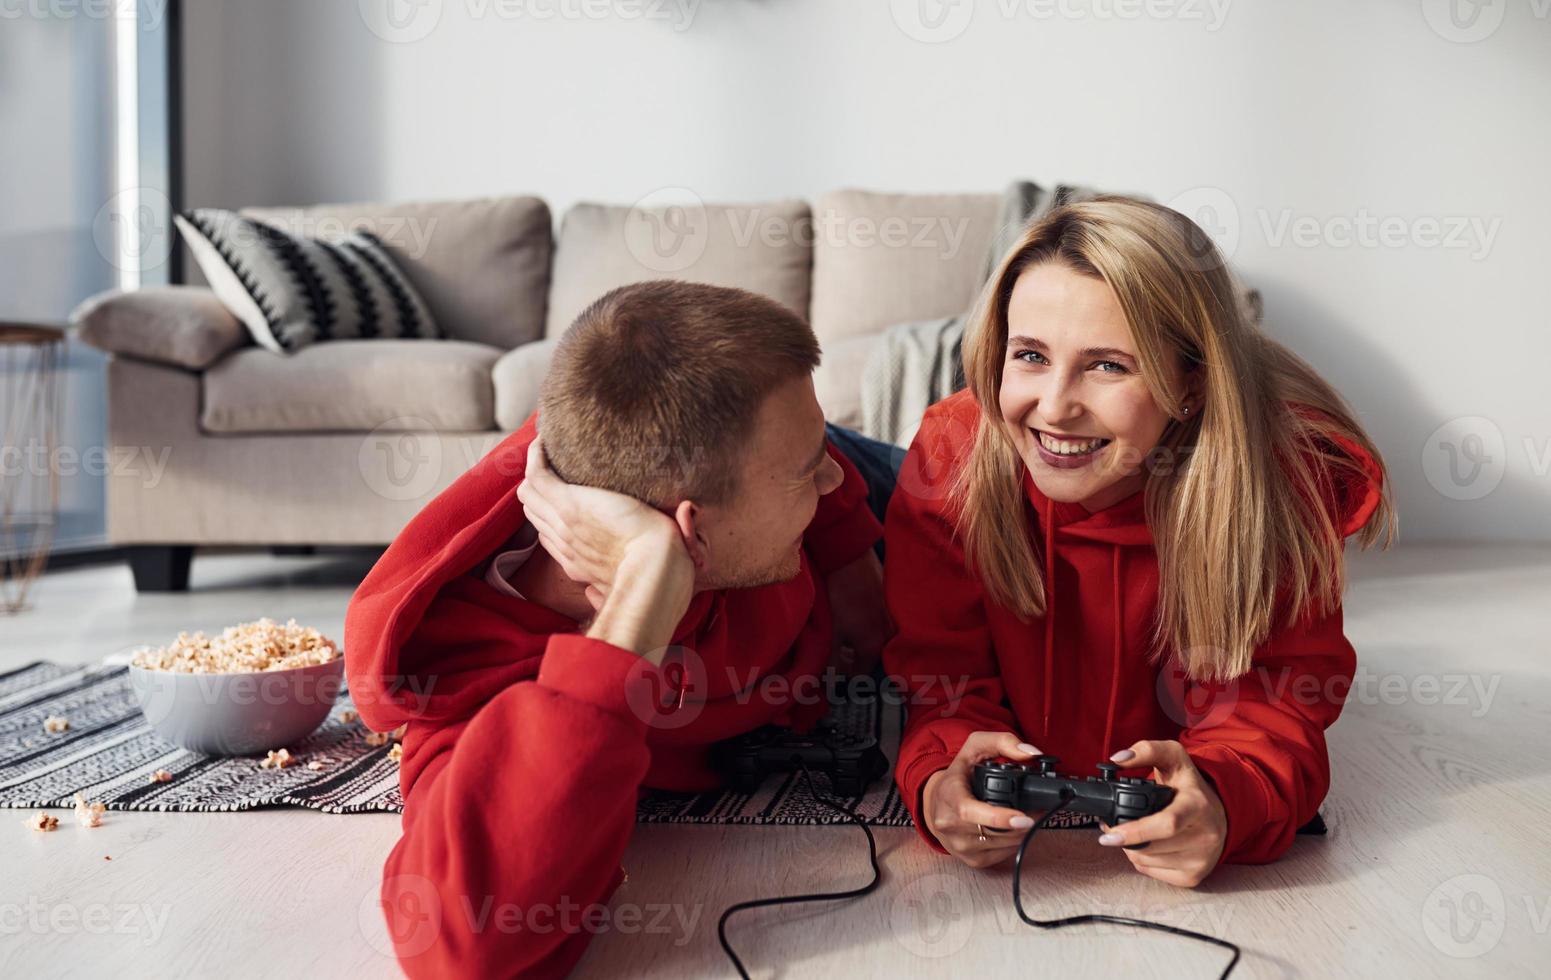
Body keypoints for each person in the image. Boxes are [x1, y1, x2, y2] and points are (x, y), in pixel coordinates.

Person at [343, 280, 892, 977]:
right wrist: (642, 598)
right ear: (688, 535)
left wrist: (854, 569)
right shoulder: (473, 675)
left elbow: (823, 461)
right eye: (806, 478)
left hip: (800, 484)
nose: (825, 486)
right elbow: (461, 948)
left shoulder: (677, 453)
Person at [883, 196, 1396, 888]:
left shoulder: (1273, 486)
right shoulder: (953, 452)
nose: (1056, 405)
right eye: (1030, 355)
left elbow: (1272, 703)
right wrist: (942, 776)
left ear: (1188, 386)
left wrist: (1220, 796)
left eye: (1107, 366)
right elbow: (939, 680)